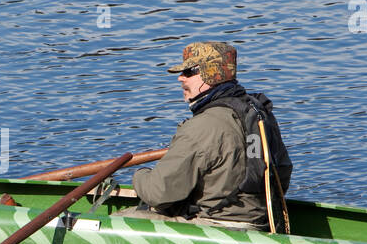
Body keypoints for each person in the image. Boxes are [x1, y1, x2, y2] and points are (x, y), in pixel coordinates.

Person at [119, 42, 290, 231]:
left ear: (212, 74)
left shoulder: (202, 126)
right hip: (263, 223)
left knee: (118, 220)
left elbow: (158, 193)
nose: (180, 78)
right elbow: (283, 173)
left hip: (220, 227)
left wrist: (140, 175)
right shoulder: (258, 113)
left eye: (189, 72)